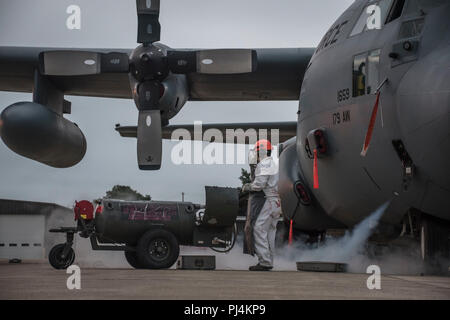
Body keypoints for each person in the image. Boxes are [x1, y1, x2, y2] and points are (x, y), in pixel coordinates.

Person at [242, 139, 282, 271]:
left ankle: (264, 262)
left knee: (259, 229)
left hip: (268, 200)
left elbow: (259, 185)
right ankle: (269, 261)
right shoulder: (274, 163)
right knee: (270, 232)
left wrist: (248, 186)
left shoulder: (265, 163)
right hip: (276, 202)